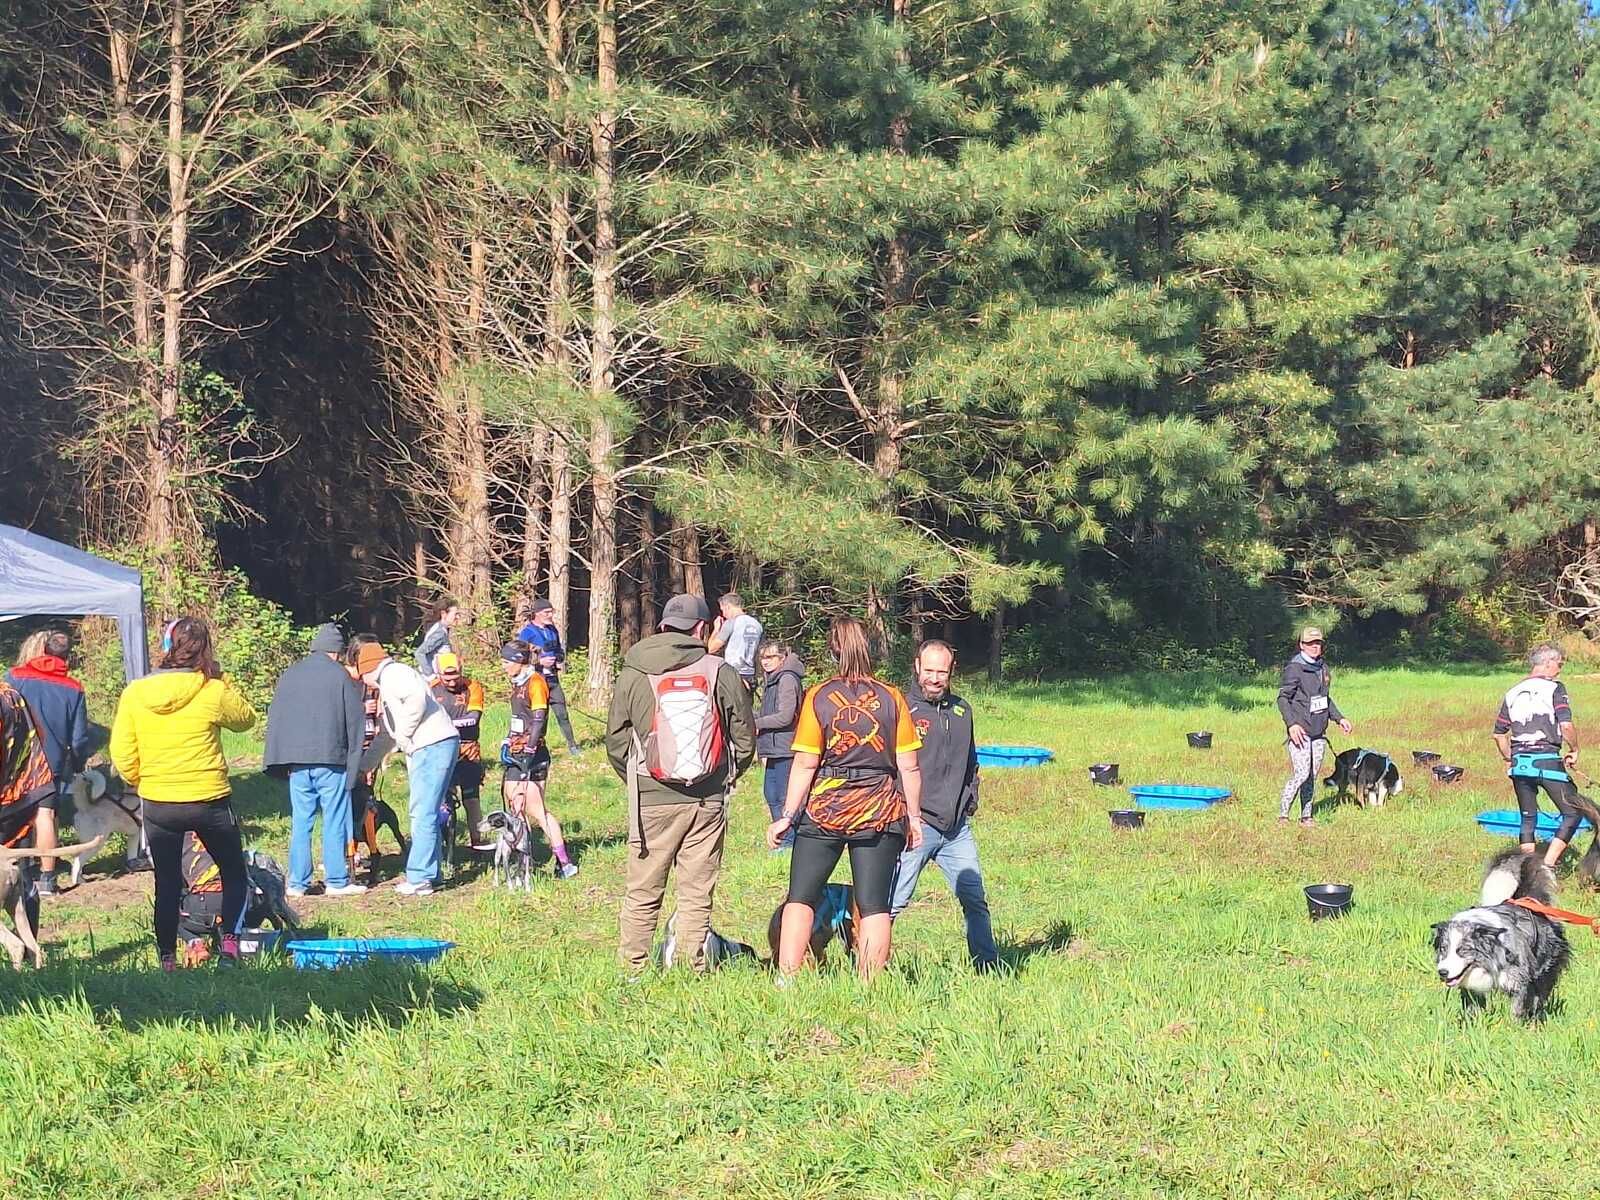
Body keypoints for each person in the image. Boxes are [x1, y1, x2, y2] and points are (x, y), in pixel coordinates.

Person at [768, 615, 924, 980]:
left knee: (800, 897)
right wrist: (914, 818)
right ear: (869, 647)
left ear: (833, 649)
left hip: (826, 810)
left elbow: (805, 763)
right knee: (873, 906)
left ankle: (787, 979)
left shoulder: (818, 697)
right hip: (879, 810)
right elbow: (910, 766)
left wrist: (787, 815)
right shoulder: (893, 697)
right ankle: (870, 985)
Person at [606, 594, 755, 975]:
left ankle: (633, 970)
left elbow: (616, 742)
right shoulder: (719, 671)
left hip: (651, 799)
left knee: (643, 890)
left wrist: (639, 782)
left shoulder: (634, 671)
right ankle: (691, 968)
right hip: (707, 799)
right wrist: (726, 777)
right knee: (696, 891)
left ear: (663, 626)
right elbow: (744, 737)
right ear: (702, 628)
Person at [108, 617, 256, 971]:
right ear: (205, 649)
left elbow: (122, 753)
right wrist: (222, 678)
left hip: (159, 802)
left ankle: (168, 960)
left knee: (168, 882)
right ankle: (230, 948)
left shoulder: (135, 693)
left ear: (166, 647)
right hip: (209, 799)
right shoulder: (212, 689)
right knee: (234, 872)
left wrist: (143, 781)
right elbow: (246, 719)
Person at [888, 640, 998, 971]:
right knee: (892, 903)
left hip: (956, 829)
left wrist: (970, 798)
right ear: (917, 667)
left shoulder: (963, 710)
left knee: (975, 900)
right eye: (929, 670)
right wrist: (904, 814)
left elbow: (971, 761)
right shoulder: (901, 709)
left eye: (942, 672)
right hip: (916, 826)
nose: (935, 678)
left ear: (951, 671)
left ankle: (988, 968)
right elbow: (888, 766)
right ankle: (867, 965)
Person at [262, 623, 368, 898]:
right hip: (331, 760)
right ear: (337, 652)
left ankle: (297, 883)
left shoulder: (291, 674)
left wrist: (281, 760)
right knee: (334, 819)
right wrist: (356, 762)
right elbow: (355, 721)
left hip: (298, 763)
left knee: (302, 820)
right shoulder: (340, 676)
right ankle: (336, 880)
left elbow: (278, 717)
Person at [354, 640, 460, 896]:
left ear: (367, 668)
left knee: (421, 812)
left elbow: (417, 700)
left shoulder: (394, 674)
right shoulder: (389, 681)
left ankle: (420, 877)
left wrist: (404, 735)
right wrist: (364, 767)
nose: (362, 681)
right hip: (430, 745)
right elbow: (386, 735)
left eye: (360, 673)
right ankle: (431, 874)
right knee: (426, 811)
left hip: (432, 744)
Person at [6, 630, 91, 895]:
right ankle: (47, 879)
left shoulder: (15, 676)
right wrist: (77, 763)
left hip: (16, 758)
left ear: (44, 649)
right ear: (68, 656)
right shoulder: (74, 688)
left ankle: (16, 870)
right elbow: (79, 738)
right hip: (50, 761)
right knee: (46, 815)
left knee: (13, 813)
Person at [1494, 643, 1585, 868]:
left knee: (1528, 818)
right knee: (1573, 813)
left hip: (1519, 764)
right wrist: (1574, 749)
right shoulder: (1555, 688)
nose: (1560, 670)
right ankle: (1547, 865)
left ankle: (1527, 869)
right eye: (1559, 665)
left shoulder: (1512, 692)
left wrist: (1508, 759)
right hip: (1546, 761)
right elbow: (1566, 725)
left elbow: (1498, 734)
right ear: (1547, 663)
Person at [499, 642, 578, 878]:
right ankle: (526, 860)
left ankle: (564, 862)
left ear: (519, 661)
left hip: (531, 753)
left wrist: (530, 748)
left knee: (534, 809)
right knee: (516, 807)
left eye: (507, 662)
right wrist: (508, 740)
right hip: (517, 749)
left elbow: (538, 719)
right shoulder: (518, 682)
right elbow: (518, 717)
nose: (503, 666)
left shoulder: (535, 682)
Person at [1276, 625, 1351, 827]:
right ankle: (1283, 816)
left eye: (1318, 643)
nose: (1315, 647)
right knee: (1301, 774)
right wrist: (1292, 725)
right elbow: (1282, 699)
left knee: (1311, 776)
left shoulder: (1322, 667)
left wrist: (1340, 718)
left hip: (1319, 734)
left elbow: (1325, 699)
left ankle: (1306, 817)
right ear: (1301, 645)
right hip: (1300, 732)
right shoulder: (1295, 668)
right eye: (1310, 643)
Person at [429, 651, 490, 846]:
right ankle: (442, 840)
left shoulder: (473, 686)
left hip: (467, 748)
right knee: (442, 796)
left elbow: (473, 717)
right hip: (440, 748)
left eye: (456, 677)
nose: (452, 683)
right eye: (447, 679)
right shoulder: (431, 688)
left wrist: (446, 724)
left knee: (471, 798)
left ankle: (477, 841)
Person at [514, 599, 583, 755]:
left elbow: (559, 650)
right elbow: (520, 656)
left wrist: (558, 660)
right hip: (537, 681)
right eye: (547, 612)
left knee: (562, 713)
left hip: (553, 679)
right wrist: (539, 662)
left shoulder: (552, 630)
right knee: (541, 716)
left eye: (551, 612)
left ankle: (572, 746)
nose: (550, 615)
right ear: (537, 614)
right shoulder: (527, 632)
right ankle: (538, 747)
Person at [754, 640, 804, 850]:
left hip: (786, 747)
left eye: (770, 657)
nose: (765, 662)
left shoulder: (786, 679)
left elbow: (785, 716)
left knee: (785, 797)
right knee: (771, 794)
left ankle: (790, 842)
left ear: (782, 658)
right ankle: (781, 839)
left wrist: (756, 723)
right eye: (762, 658)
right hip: (774, 747)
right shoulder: (773, 679)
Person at [708, 593, 763, 692]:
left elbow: (711, 648)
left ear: (728, 606)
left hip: (733, 674)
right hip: (750, 674)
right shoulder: (757, 625)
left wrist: (716, 629)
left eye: (722, 610)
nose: (723, 614)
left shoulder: (731, 623)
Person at [415, 599, 461, 678]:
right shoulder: (440, 633)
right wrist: (431, 676)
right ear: (443, 614)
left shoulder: (440, 628)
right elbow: (419, 653)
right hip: (435, 680)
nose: (458, 617)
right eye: (455, 614)